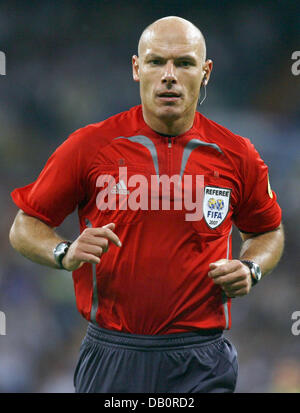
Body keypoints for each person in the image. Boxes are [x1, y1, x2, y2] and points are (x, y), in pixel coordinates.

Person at [9, 16, 284, 393]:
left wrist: (252, 267)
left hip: (202, 358)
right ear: (137, 69)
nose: (169, 75)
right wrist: (62, 251)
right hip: (113, 354)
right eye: (156, 62)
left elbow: (268, 231)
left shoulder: (237, 154)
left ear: (206, 73)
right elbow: (25, 224)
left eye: (184, 63)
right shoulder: (88, 146)